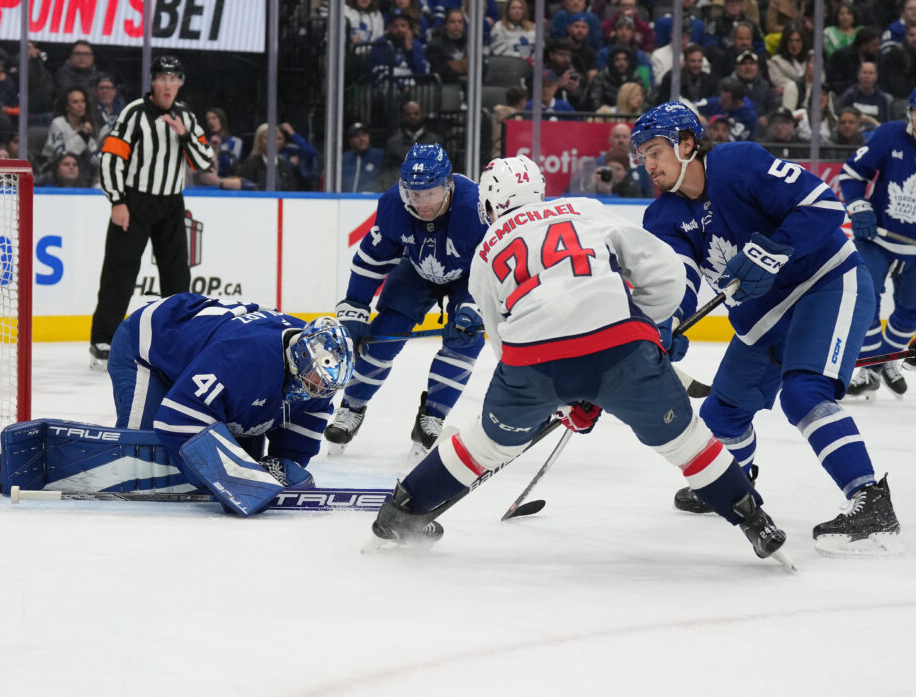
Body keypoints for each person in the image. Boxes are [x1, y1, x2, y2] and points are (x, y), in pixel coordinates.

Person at [367, 155, 792, 569]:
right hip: (622, 347)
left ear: (492, 204)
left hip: (530, 362)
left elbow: (501, 340)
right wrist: (646, 326)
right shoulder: (584, 210)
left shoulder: (486, 249)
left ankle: (398, 513)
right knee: (686, 443)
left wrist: (559, 397)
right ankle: (755, 521)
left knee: (487, 444)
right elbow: (665, 273)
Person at [630, 101, 900, 555]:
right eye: (643, 156)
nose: (648, 164)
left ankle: (870, 500)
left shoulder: (739, 163)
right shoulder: (662, 217)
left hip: (826, 282)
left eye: (655, 151)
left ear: (687, 144)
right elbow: (678, 280)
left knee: (804, 393)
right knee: (721, 414)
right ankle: (735, 483)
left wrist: (776, 249)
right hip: (762, 318)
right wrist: (665, 322)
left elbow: (823, 205)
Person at [107, 294, 354, 512]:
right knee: (140, 459)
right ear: (300, 356)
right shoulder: (243, 357)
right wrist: (236, 479)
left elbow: (297, 440)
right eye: (316, 381)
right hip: (149, 344)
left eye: (328, 386)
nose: (320, 390)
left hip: (210, 351)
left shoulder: (321, 372)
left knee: (242, 456)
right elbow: (178, 421)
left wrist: (284, 467)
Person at [324, 143, 486, 457]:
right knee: (382, 335)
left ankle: (433, 415)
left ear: (448, 185)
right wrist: (355, 305)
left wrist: (473, 307)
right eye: (414, 193)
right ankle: (352, 407)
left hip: (470, 278)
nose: (422, 203)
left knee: (466, 340)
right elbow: (372, 259)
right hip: (415, 270)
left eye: (431, 193)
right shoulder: (393, 206)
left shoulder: (476, 207)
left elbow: (494, 264)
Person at [89, 56, 214, 366]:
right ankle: (102, 340)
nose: (169, 85)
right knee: (120, 270)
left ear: (181, 84)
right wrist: (117, 199)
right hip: (135, 201)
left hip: (171, 203)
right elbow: (111, 158)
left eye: (175, 79)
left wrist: (183, 134)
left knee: (176, 274)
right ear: (153, 82)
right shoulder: (133, 113)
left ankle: (178, 339)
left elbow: (203, 160)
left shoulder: (186, 116)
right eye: (163, 79)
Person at [839, 88, 916, 400]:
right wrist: (859, 207)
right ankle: (874, 367)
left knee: (910, 312)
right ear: (910, 111)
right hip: (878, 239)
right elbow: (851, 174)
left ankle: (880, 364)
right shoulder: (890, 135)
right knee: (863, 298)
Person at [39, 86, 100, 185]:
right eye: (75, 102)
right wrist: (83, 136)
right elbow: (62, 154)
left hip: (80, 171)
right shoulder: (58, 123)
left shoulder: (88, 126)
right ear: (67, 106)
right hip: (53, 172)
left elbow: (94, 152)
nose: (80, 105)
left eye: (82, 101)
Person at [380, 101, 444, 190]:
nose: (412, 117)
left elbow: (443, 170)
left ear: (423, 115)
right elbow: (385, 171)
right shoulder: (392, 143)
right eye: (408, 114)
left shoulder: (436, 142)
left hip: (428, 193)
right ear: (403, 117)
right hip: (399, 190)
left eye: (416, 113)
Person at [341, 122, 384, 193]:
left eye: (364, 135)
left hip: (372, 201)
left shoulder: (380, 156)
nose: (361, 139)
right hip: (346, 201)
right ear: (350, 140)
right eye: (356, 136)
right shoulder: (343, 159)